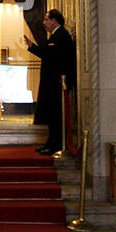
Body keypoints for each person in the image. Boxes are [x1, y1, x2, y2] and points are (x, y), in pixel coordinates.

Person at [24, 9, 76, 154]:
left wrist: (33, 48)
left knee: (56, 116)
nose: (44, 22)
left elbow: (53, 57)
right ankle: (51, 142)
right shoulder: (55, 35)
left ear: (54, 21)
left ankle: (56, 145)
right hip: (51, 82)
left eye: (46, 19)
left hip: (57, 84)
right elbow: (48, 54)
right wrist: (32, 47)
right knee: (52, 116)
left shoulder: (62, 36)